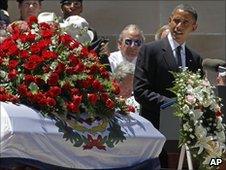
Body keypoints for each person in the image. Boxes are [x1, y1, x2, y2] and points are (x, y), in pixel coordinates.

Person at [133, 4, 203, 168]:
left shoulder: (195, 58)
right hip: (156, 131)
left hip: (184, 135)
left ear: (194, 27)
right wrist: (174, 105)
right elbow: (140, 91)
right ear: (169, 20)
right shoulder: (150, 51)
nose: (179, 26)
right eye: (176, 20)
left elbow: (199, 92)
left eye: (185, 22)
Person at [60, 0, 111, 72]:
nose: (72, 6)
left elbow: (94, 53)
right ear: (61, 8)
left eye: (76, 4)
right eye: (68, 3)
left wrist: (102, 52)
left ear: (81, 8)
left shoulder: (90, 32)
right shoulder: (56, 28)